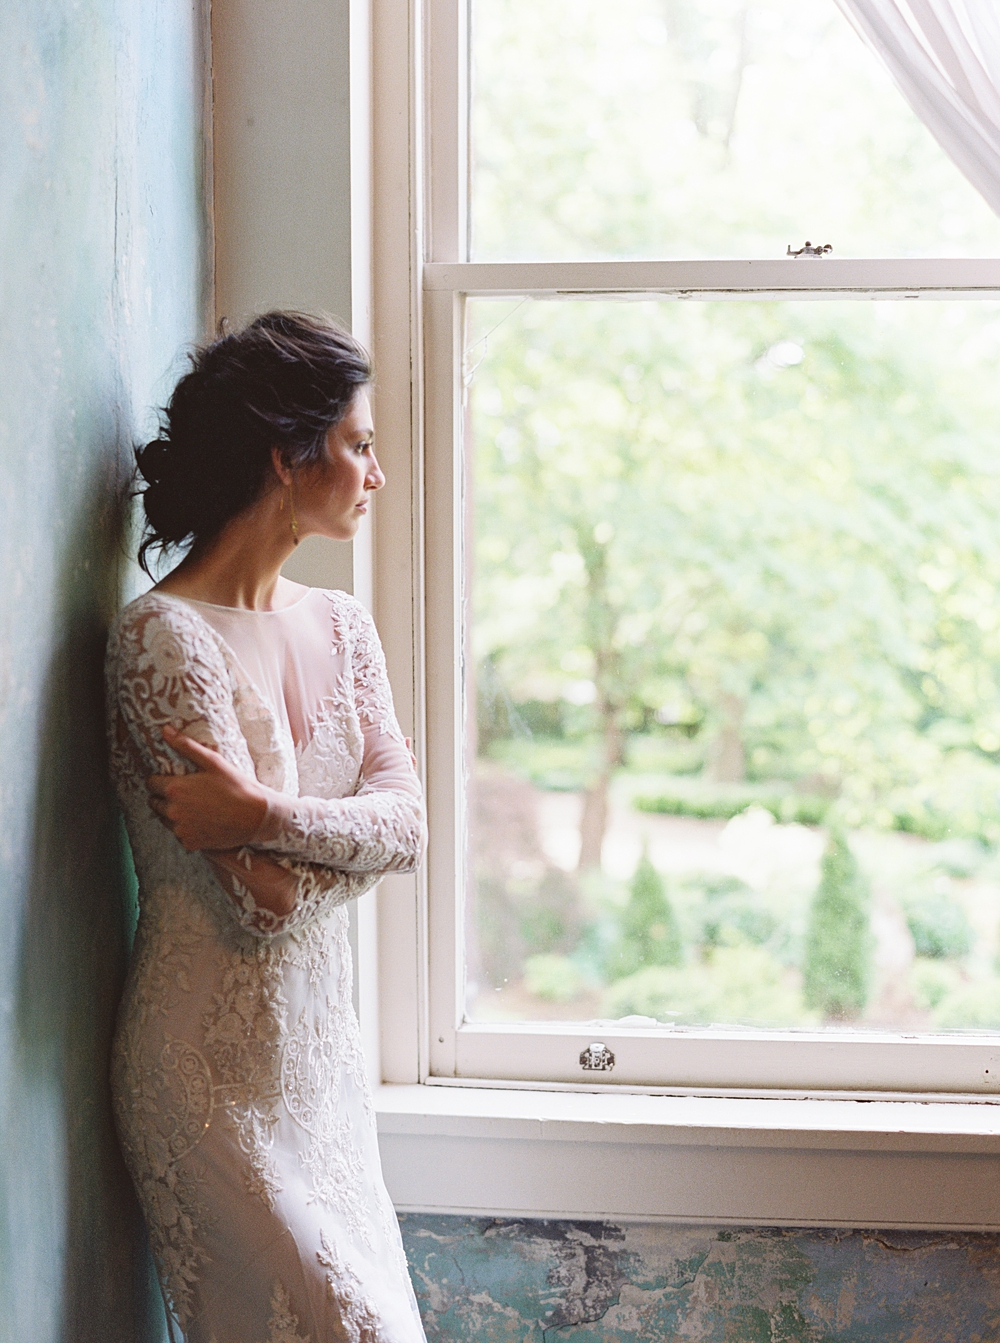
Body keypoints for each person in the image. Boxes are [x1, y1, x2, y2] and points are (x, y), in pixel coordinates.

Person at [105, 312, 428, 1343]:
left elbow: (411, 824)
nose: (376, 473)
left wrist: (263, 813)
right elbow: (264, 901)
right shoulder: (162, 636)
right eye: (359, 444)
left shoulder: (344, 624)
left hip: (319, 1069)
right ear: (288, 457)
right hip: (203, 1075)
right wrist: (338, 837)